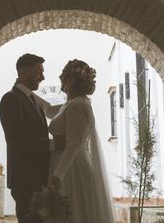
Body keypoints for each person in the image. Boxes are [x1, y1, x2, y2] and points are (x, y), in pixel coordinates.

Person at [47, 59, 115, 223]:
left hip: (72, 169)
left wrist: (58, 176)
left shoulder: (77, 105)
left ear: (70, 80)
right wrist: (27, 93)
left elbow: (73, 144)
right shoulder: (71, 103)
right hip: (69, 164)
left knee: (74, 213)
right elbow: (49, 110)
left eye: (63, 75)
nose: (60, 77)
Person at [0, 53, 64, 223]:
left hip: (37, 177)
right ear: (24, 73)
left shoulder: (33, 100)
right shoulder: (10, 99)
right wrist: (52, 144)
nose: (42, 77)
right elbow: (16, 141)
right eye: (38, 72)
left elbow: (50, 112)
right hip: (24, 180)